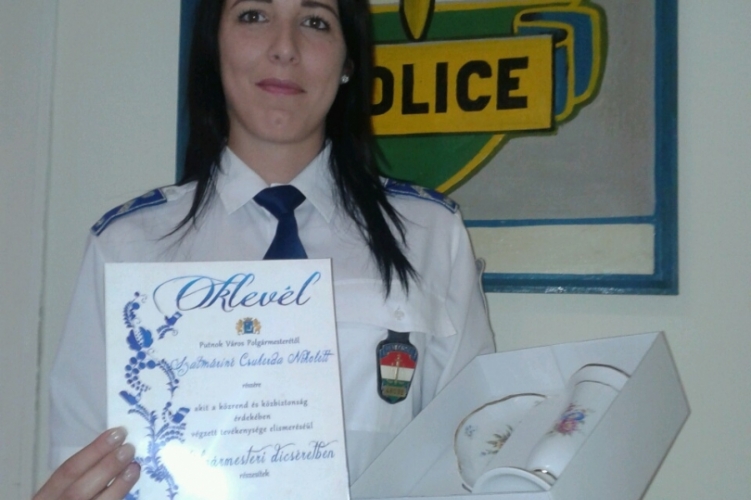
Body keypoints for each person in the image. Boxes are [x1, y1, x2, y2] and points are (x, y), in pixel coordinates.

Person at [37, 0, 495, 497]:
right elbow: (85, 459)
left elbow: (474, 456)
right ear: (214, 45)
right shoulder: (127, 247)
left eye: (315, 21)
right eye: (253, 15)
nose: (284, 47)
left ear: (348, 62)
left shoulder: (428, 234)